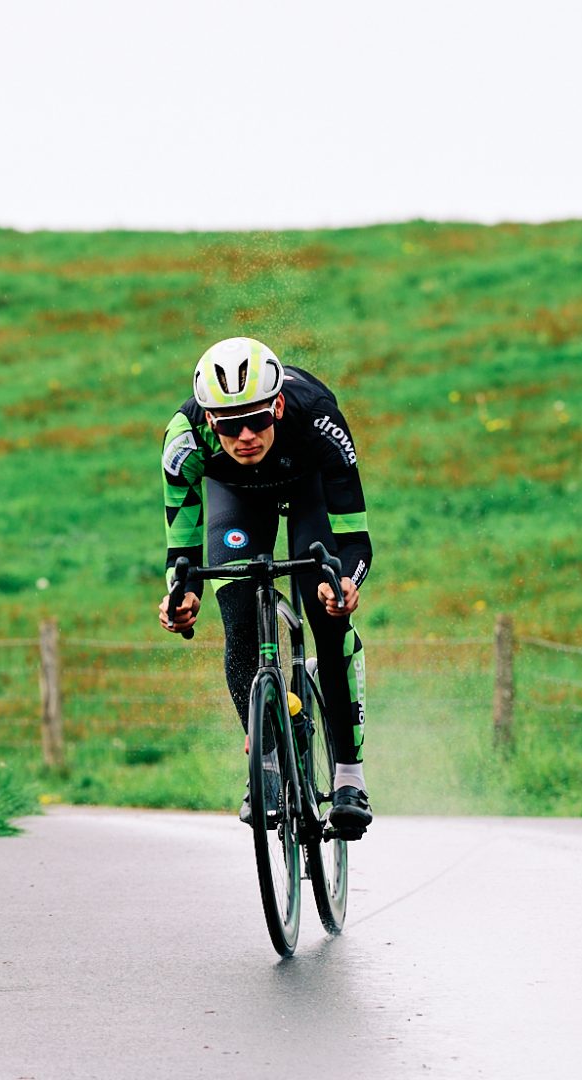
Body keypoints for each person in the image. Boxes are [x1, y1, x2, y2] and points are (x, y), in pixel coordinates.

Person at [155, 336, 374, 838]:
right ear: (210, 421)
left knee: (327, 609)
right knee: (237, 619)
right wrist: (180, 595)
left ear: (278, 406)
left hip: (309, 489)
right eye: (230, 426)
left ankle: (348, 779)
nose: (246, 436)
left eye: (258, 420)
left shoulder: (318, 418)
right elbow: (182, 552)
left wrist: (345, 581)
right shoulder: (183, 440)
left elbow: (356, 539)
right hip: (234, 498)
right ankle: (267, 770)